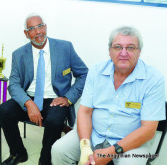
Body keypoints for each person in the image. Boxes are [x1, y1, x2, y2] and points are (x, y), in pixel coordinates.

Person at [51, 26, 166, 165]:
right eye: (118, 47)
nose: (124, 53)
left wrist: (111, 152)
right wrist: (85, 146)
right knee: (59, 150)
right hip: (94, 134)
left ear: (139, 51)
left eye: (130, 48)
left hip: (132, 144)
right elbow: (85, 112)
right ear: (110, 51)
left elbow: (148, 130)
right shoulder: (96, 71)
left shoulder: (154, 80)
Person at [0, 13, 88, 165]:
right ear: (26, 34)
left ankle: (45, 161)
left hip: (55, 99)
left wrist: (68, 97)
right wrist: (28, 103)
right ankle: (18, 153)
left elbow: (84, 74)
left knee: (54, 122)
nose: (38, 32)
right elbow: (13, 83)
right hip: (29, 97)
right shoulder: (19, 54)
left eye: (40, 26)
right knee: (3, 111)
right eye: (32, 29)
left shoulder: (65, 47)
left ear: (45, 27)